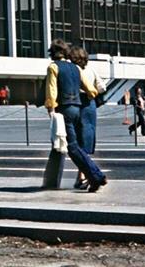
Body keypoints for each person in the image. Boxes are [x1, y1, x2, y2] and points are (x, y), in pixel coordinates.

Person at [45, 39, 107, 192]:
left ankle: (96, 176)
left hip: (64, 108)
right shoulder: (75, 68)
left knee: (72, 147)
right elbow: (91, 89)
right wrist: (90, 95)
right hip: (78, 109)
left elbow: (51, 90)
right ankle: (92, 176)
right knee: (76, 146)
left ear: (53, 54)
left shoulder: (53, 67)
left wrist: (51, 108)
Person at [69, 46, 106, 189]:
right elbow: (102, 87)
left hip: (77, 102)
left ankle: (85, 176)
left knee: (76, 141)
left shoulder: (73, 70)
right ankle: (82, 176)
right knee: (86, 139)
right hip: (90, 105)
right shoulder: (91, 69)